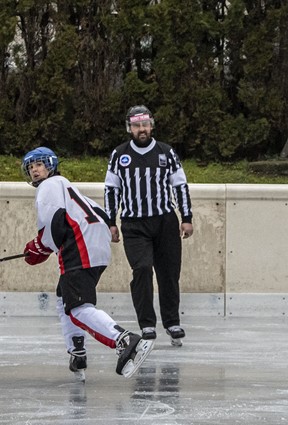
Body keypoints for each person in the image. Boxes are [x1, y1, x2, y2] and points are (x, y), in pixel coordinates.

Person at [20, 147, 154, 380]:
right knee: (65, 296)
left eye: (39, 164)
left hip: (79, 248)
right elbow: (99, 213)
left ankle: (124, 340)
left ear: (51, 165)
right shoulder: (67, 186)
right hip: (95, 248)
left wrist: (38, 247)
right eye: (30, 167)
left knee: (78, 307)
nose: (34, 170)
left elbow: (54, 225)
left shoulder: (49, 187)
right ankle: (77, 352)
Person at [103, 105, 194, 346]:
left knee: (169, 273)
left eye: (145, 124)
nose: (141, 129)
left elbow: (180, 185)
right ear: (129, 128)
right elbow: (111, 190)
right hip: (134, 224)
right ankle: (146, 324)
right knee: (142, 269)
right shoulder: (119, 155)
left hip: (164, 221)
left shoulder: (166, 152)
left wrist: (186, 218)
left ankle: (172, 322)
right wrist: (110, 222)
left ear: (152, 125)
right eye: (136, 125)